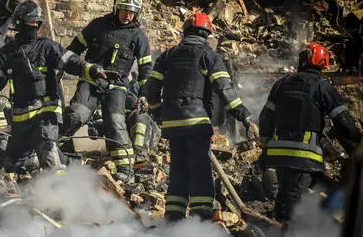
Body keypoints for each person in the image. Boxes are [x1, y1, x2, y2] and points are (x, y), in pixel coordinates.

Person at [144, 12, 254, 221]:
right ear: (207, 35)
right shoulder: (209, 56)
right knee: (199, 168)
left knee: (178, 169)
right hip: (197, 123)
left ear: (186, 33)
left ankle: (174, 217)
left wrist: (160, 112)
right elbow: (225, 90)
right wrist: (243, 115)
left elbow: (151, 90)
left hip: (173, 124)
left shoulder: (168, 55)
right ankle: (200, 218)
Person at [0, 0, 108, 173]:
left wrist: (91, 70)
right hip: (21, 118)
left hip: (47, 112)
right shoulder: (7, 52)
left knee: (47, 149)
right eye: (29, 22)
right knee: (14, 165)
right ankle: (71, 164)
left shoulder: (47, 47)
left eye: (36, 23)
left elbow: (71, 61)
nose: (33, 26)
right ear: (19, 22)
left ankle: (60, 192)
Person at [259, 42, 363, 223]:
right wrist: (356, 144)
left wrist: (266, 145)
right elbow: (343, 122)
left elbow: (265, 118)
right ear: (323, 63)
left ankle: (324, 223)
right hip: (303, 155)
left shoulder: (282, 83)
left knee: (315, 186)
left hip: (279, 154)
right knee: (290, 202)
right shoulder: (322, 86)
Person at [61, 0, 153, 181]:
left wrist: (145, 94)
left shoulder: (138, 37)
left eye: (132, 12)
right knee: (78, 114)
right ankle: (53, 147)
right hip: (91, 80)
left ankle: (125, 169)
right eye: (124, 10)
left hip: (117, 87)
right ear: (116, 8)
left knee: (116, 122)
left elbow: (146, 70)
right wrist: (63, 67)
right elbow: (73, 50)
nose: (128, 15)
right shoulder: (98, 25)